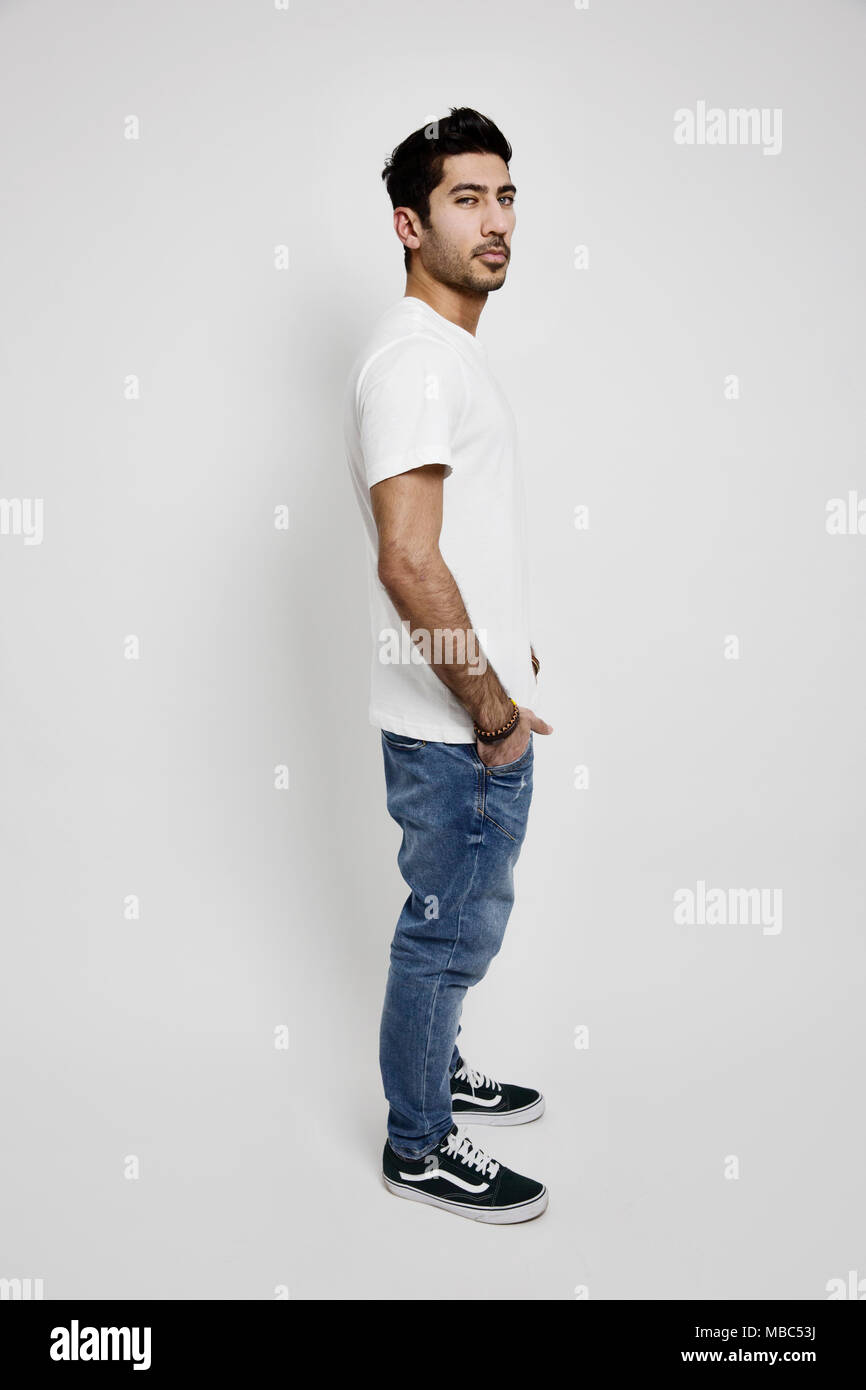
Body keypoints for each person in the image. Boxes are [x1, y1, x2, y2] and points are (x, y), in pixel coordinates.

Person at [343, 107, 553, 1224]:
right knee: (443, 931)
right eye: (465, 200)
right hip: (453, 727)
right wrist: (492, 708)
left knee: (460, 922)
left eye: (503, 196)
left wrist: (507, 647)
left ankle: (438, 1071)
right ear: (408, 225)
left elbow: (454, 543)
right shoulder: (417, 360)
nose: (494, 220)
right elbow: (408, 560)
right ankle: (418, 1142)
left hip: (459, 708)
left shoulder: (445, 354)